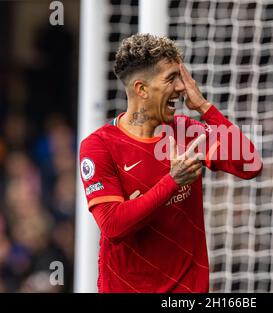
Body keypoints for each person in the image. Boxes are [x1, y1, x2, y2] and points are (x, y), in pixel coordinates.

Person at [79, 33, 262, 293]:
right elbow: (113, 226)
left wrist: (203, 106)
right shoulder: (99, 145)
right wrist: (173, 182)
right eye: (171, 78)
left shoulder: (186, 132)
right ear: (141, 89)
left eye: (180, 76)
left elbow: (251, 164)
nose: (181, 87)